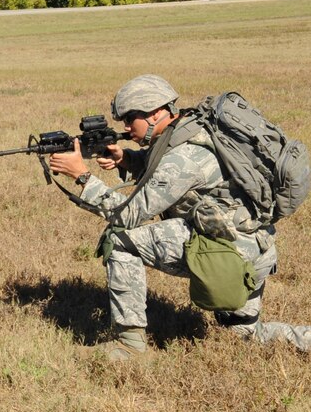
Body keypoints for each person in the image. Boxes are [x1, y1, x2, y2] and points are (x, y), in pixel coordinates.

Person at [48, 74, 311, 359]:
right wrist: (128, 159)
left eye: (130, 117)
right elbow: (168, 174)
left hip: (229, 256)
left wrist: (83, 178)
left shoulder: (183, 156)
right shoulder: (192, 130)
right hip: (256, 250)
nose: (125, 126)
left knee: (120, 239)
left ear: (157, 112)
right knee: (244, 334)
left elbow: (128, 215)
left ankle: (130, 347)